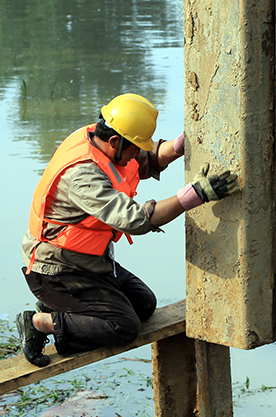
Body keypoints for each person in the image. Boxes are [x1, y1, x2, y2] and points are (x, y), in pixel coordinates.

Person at [16, 93, 238, 367]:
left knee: (144, 304)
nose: (138, 153)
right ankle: (40, 322)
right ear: (115, 142)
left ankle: (61, 307)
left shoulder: (101, 140)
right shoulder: (83, 175)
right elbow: (136, 220)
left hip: (89, 261)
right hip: (55, 270)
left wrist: (182, 145)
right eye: (136, 147)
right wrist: (193, 196)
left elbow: (144, 160)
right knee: (123, 326)